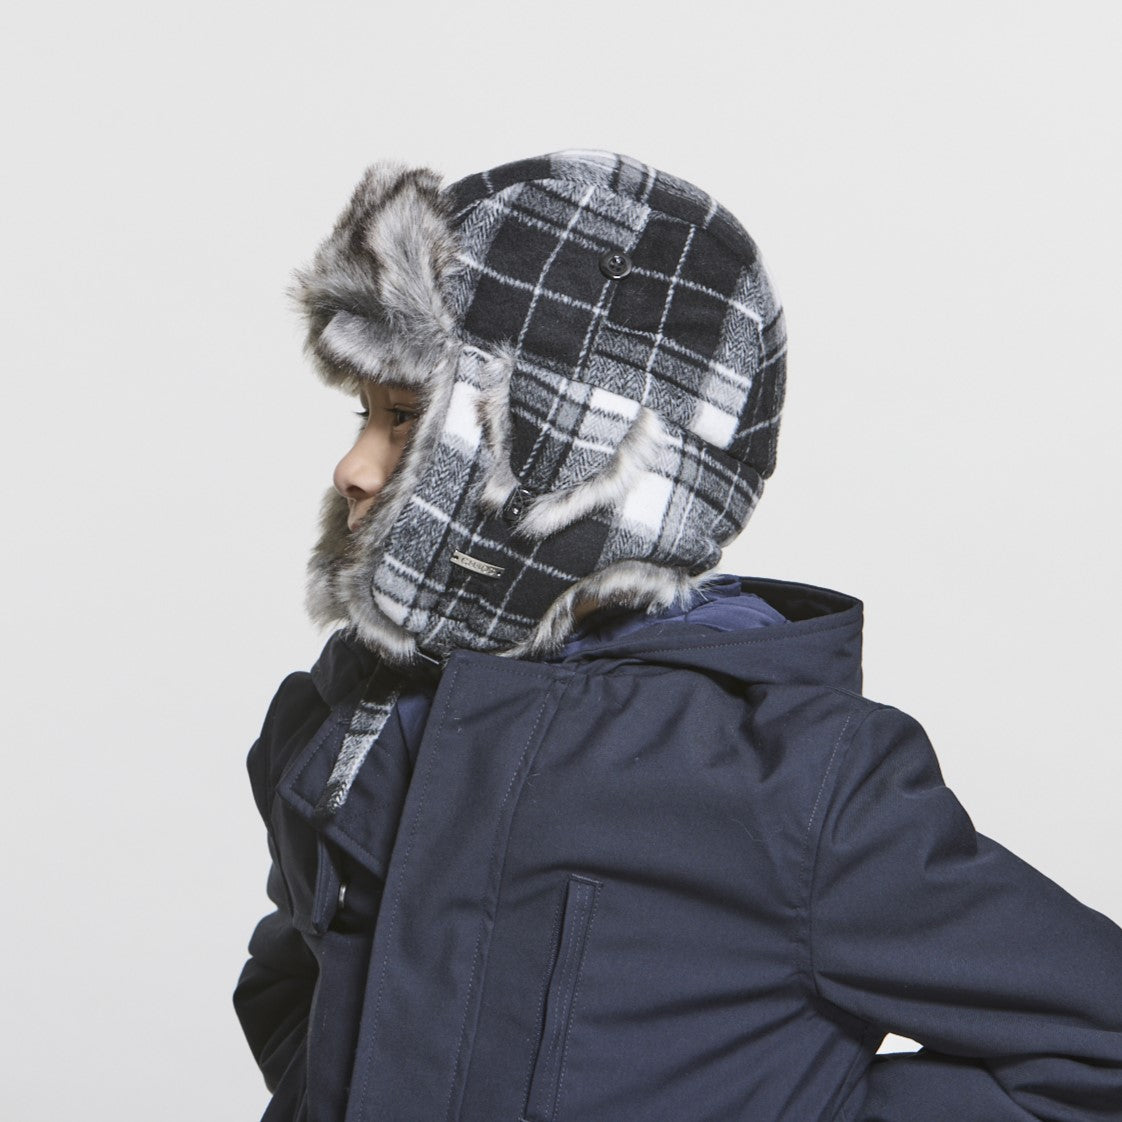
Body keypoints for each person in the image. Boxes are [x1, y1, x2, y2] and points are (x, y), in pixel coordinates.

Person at [232, 149, 1122, 1122]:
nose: (353, 467)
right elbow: (294, 978)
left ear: (572, 448)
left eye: (405, 419)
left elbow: (1096, 1041)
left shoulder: (788, 786)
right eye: (363, 413)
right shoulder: (355, 710)